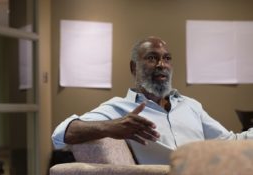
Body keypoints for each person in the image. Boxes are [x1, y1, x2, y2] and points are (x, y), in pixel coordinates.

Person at [52, 36, 253, 155]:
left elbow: (231, 142)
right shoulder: (120, 109)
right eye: (151, 58)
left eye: (166, 58)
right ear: (134, 67)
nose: (161, 65)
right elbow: (60, 135)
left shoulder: (190, 105)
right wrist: (111, 127)